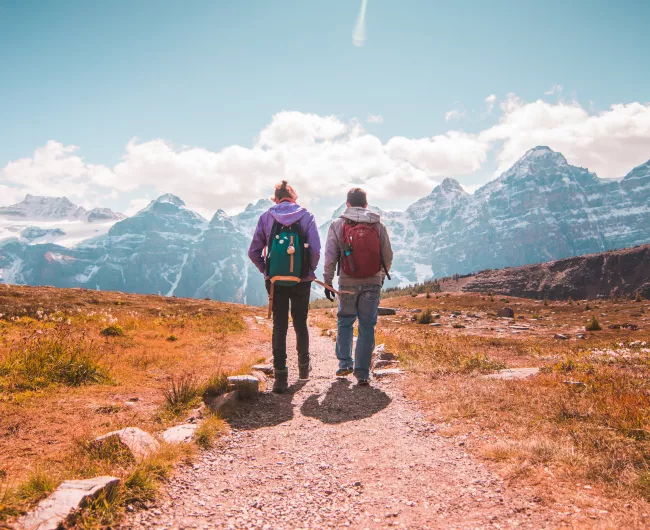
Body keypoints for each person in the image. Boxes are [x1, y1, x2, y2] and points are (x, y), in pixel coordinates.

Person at [248, 181, 321, 393]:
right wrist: (308, 270)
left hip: (275, 282)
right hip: (302, 281)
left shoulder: (266, 217)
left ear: (276, 198)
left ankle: (280, 377)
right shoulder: (306, 216)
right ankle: (304, 369)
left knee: (280, 325)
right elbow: (315, 249)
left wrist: (266, 271)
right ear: (294, 198)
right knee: (300, 323)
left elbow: (253, 252)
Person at [323, 188, 393, 386]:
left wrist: (328, 280)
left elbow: (331, 256)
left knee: (345, 321)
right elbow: (387, 256)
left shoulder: (338, 224)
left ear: (347, 204)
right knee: (367, 325)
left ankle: (345, 363)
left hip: (347, 281)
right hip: (372, 282)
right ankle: (362, 373)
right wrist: (379, 276)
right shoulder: (378, 225)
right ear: (365, 204)